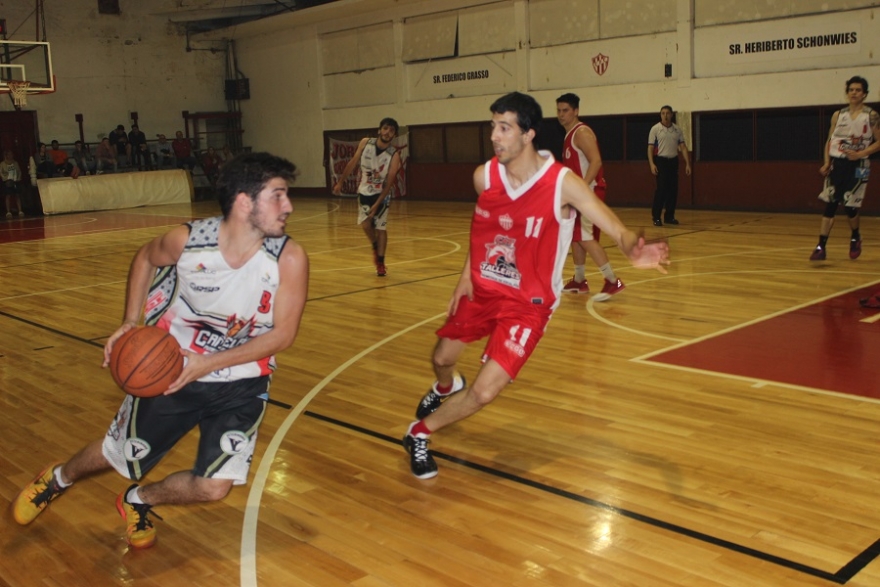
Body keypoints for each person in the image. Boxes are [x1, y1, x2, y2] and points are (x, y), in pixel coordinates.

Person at [12, 152, 309, 549]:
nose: (288, 206)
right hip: (171, 372)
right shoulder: (188, 242)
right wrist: (130, 322)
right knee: (118, 456)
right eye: (278, 196)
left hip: (241, 382)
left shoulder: (289, 258)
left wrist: (208, 363)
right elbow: (145, 258)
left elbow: (283, 335)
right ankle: (58, 478)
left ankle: (138, 500)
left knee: (213, 488)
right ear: (244, 201)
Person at [403, 92, 669, 479]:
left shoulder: (561, 183)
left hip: (528, 304)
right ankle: (444, 388)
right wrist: (465, 277)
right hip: (483, 289)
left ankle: (419, 434)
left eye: (504, 127)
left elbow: (613, 224)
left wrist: (632, 247)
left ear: (528, 135)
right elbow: (483, 229)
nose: (494, 135)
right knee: (443, 359)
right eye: (493, 126)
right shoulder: (485, 176)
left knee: (484, 391)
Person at [556, 93, 625, 300]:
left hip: (589, 193)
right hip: (580, 194)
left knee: (585, 237)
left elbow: (596, 162)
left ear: (575, 111)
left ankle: (613, 281)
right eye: (558, 110)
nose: (561, 115)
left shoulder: (581, 132)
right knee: (576, 236)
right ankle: (579, 280)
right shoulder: (570, 134)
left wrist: (582, 188)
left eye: (565, 110)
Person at [810, 75, 880, 261]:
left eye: (858, 90)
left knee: (850, 205)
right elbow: (829, 141)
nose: (854, 93)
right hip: (837, 163)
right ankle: (821, 246)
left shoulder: (871, 116)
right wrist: (826, 162)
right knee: (830, 204)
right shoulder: (838, 115)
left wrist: (861, 153)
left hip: (859, 164)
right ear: (847, 92)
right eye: (851, 90)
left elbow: (879, 142)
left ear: (864, 94)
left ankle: (855, 236)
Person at [331, 117, 402, 277]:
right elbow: (353, 162)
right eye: (385, 128)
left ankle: (381, 263)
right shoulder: (365, 143)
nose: (387, 132)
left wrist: (377, 204)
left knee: (380, 227)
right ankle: (375, 245)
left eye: (391, 131)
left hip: (381, 195)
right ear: (379, 130)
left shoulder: (394, 155)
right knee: (365, 225)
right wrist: (340, 182)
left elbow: (389, 183)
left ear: (394, 135)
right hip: (364, 191)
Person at [647, 105, 691, 226]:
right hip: (661, 161)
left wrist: (687, 163)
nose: (665, 115)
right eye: (663, 113)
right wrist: (652, 164)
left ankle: (669, 216)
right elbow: (650, 148)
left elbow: (682, 146)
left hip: (673, 161)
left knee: (673, 190)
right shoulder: (655, 129)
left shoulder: (677, 130)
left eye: (667, 113)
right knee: (661, 189)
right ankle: (656, 216)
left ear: (671, 115)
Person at [1, 149, 24, 217]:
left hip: (15, 180)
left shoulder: (15, 163)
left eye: (12, 154)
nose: (11, 156)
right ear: (7, 155)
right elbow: (1, 173)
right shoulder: (2, 164)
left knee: (17, 195)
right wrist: (5, 179)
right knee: (8, 195)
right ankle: (8, 211)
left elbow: (19, 171)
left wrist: (19, 178)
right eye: (9, 154)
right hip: (8, 181)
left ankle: (20, 210)